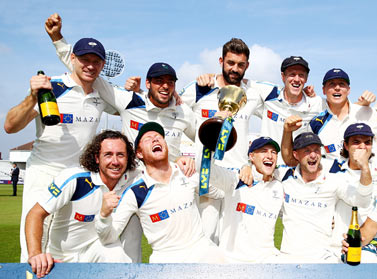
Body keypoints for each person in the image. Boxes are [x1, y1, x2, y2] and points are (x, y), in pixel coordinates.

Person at [45, 13, 196, 262]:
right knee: (124, 248)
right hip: (132, 184)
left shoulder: (183, 112)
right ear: (148, 83)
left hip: (171, 186)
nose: (165, 86)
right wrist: (58, 40)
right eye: (158, 81)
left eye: (170, 82)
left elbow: (203, 137)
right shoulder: (131, 101)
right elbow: (90, 73)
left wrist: (188, 159)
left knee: (178, 242)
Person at [4, 34, 114, 262]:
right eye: (85, 59)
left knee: (66, 244)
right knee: (34, 244)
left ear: (102, 65)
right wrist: (31, 97)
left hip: (77, 178)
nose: (90, 66)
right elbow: (10, 126)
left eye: (96, 61)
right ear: (72, 58)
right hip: (45, 172)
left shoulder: (101, 96)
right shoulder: (52, 88)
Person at [179, 38, 275, 243]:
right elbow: (169, 108)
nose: (235, 69)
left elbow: (283, 100)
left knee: (235, 241)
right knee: (205, 240)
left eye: (241, 65)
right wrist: (176, 156)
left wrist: (309, 96)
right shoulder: (200, 88)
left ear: (247, 66)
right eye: (230, 63)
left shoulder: (253, 94)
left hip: (237, 181)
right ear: (221, 61)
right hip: (207, 177)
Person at [96, 122, 225, 263]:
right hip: (167, 259)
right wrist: (103, 215)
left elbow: (221, 194)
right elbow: (108, 236)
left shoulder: (187, 173)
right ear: (139, 153)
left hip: (203, 251)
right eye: (148, 139)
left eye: (158, 136)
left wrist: (244, 170)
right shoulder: (135, 193)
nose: (155, 139)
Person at [25, 130, 134, 278]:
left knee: (114, 252)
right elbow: (35, 214)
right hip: (61, 260)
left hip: (95, 254)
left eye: (120, 155)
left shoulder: (131, 181)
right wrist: (36, 254)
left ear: (128, 158)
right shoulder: (74, 178)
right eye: (108, 154)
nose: (115, 161)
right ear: (97, 158)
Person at [279, 129, 373, 263]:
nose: (313, 155)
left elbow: (362, 201)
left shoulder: (333, 180)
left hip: (322, 259)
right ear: (296, 155)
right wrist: (247, 168)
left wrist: (364, 168)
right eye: (307, 151)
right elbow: (260, 173)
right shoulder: (284, 177)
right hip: (287, 257)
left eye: (316, 150)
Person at [281, 68, 377, 165]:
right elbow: (293, 160)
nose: (337, 88)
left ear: (348, 90)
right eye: (331, 84)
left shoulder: (368, 112)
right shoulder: (315, 124)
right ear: (323, 90)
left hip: (366, 181)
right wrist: (287, 132)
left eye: (342, 84)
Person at [207, 136, 283, 263]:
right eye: (264, 151)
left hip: (267, 261)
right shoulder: (236, 180)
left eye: (273, 152)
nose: (270, 156)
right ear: (251, 156)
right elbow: (205, 169)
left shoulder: (279, 186)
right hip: (232, 261)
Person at [329, 123, 377, 255]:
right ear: (346, 146)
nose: (362, 147)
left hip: (376, 251)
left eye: (367, 142)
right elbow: (361, 202)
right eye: (356, 142)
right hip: (342, 250)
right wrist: (364, 168)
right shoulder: (337, 174)